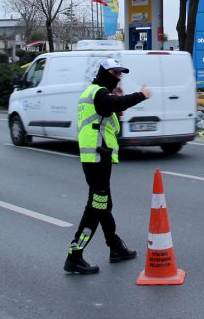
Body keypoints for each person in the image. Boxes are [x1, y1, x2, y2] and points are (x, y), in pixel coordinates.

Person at [64, 58, 151, 274]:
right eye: (115, 73)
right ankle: (74, 256)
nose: (119, 77)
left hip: (97, 157)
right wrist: (141, 95)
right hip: (97, 156)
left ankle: (115, 247)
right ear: (105, 73)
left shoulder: (92, 92)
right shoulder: (99, 94)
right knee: (96, 208)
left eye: (121, 73)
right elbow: (116, 103)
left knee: (104, 205)